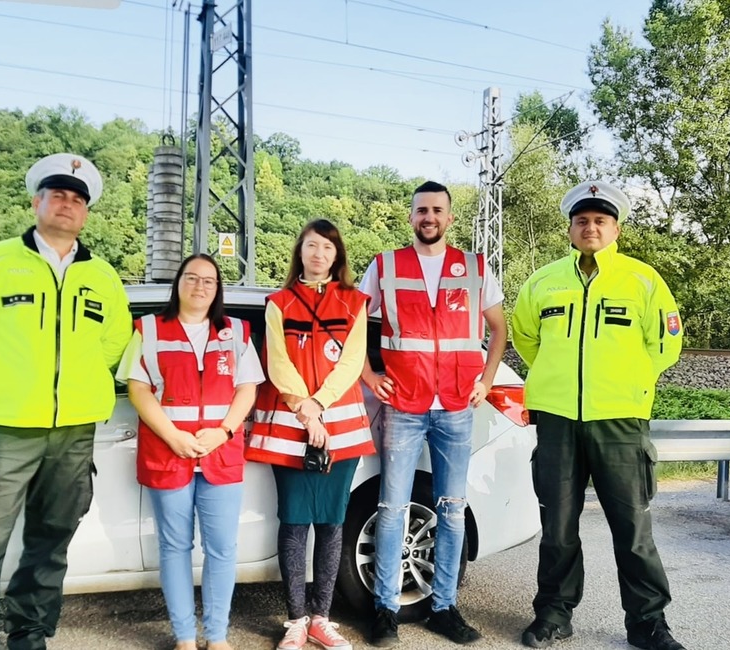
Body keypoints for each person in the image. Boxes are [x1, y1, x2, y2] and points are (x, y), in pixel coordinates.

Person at [0, 153, 132, 650]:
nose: (67, 204)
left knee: (50, 542)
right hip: (8, 426)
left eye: (77, 199)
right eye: (57, 194)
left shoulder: (102, 276)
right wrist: (0, 381)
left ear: (86, 213)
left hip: (74, 431)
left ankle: (30, 635)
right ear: (37, 201)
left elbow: (115, 342)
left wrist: (82, 384)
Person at [511, 180, 686, 650]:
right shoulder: (543, 281)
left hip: (620, 421)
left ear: (616, 229)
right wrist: (556, 376)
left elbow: (666, 344)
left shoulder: (643, 280)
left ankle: (648, 623)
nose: (591, 227)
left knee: (632, 530)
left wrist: (626, 383)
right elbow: (526, 337)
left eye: (600, 220)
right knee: (558, 527)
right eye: (582, 220)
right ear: (570, 228)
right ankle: (553, 613)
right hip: (557, 420)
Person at [358, 180, 507, 647]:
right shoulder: (385, 265)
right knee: (391, 509)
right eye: (421, 210)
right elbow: (353, 322)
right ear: (411, 217)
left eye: (437, 210)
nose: (429, 217)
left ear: (450, 217)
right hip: (404, 405)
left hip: (457, 407)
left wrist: (487, 378)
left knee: (452, 511)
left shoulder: (476, 267)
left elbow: (499, 329)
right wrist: (367, 375)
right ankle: (384, 609)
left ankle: (444, 607)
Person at [117, 254, 264, 650]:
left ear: (218, 290)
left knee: (221, 549)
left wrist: (224, 431)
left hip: (220, 453)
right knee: (175, 547)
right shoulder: (148, 330)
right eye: (192, 278)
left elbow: (247, 388)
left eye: (210, 281)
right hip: (170, 454)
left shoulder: (235, 332)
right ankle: (184, 636)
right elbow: (138, 389)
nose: (200, 286)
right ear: (178, 282)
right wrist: (173, 437)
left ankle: (217, 637)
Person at [246, 219, 377, 650]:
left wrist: (318, 405)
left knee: (332, 521)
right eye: (311, 246)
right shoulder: (278, 302)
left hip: (338, 422)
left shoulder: (356, 302)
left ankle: (322, 617)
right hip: (289, 423)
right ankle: (295, 620)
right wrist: (305, 409)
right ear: (299, 252)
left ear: (337, 256)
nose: (319, 254)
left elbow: (351, 361)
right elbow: (277, 362)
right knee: (295, 521)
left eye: (327, 248)